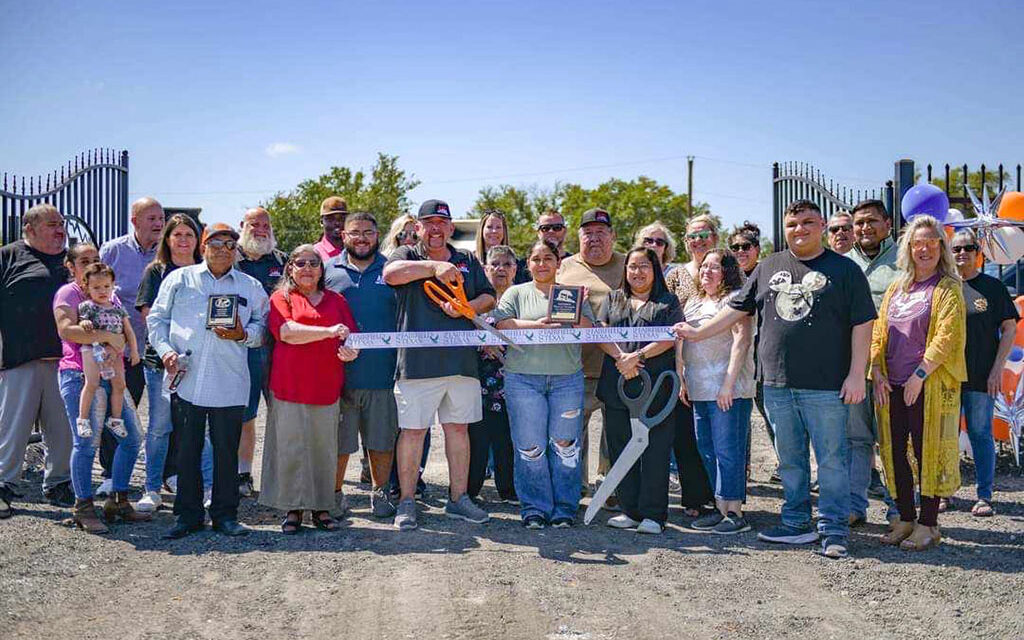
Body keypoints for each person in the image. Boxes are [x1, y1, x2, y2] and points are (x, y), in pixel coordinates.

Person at [675, 199, 876, 559]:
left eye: (808, 222)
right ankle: (796, 521)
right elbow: (737, 310)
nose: (800, 229)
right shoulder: (768, 267)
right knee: (790, 459)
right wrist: (697, 334)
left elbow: (864, 324)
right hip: (777, 384)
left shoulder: (845, 271)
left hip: (828, 386)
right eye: (793, 223)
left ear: (823, 226)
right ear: (784, 229)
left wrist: (857, 374)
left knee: (831, 459)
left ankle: (833, 529)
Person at [148, 222, 269, 539]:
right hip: (185, 379)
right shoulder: (179, 279)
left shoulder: (250, 287)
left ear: (236, 249)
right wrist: (164, 351)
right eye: (215, 242)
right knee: (186, 450)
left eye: (229, 243)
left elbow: (263, 330)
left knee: (225, 452)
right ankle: (187, 516)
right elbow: (156, 320)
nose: (222, 249)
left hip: (229, 382)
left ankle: (225, 515)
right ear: (203, 246)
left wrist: (243, 334)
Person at [383, 199, 494, 530]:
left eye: (441, 223)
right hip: (416, 364)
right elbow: (390, 275)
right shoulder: (407, 255)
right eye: (428, 222)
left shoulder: (467, 259)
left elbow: (488, 296)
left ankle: (458, 499)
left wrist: (467, 307)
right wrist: (433, 268)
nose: (435, 229)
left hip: (461, 363)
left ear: (450, 228)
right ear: (418, 227)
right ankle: (406, 501)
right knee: (413, 432)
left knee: (459, 431)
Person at [870, 215, 965, 551]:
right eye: (917, 242)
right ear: (908, 248)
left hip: (929, 384)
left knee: (929, 452)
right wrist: (876, 370)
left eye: (931, 241)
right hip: (892, 383)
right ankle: (906, 518)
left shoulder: (948, 288)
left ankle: (929, 524)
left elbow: (946, 337)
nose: (924, 248)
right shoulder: (897, 288)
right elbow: (879, 332)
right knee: (895, 452)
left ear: (942, 246)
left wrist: (920, 375)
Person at [494, 240, 594, 528]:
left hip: (567, 380)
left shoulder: (573, 294)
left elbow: (591, 329)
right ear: (528, 264)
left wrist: (574, 313)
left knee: (565, 445)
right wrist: (539, 325)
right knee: (530, 447)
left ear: (558, 262)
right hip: (523, 380)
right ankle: (535, 508)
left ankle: (565, 507)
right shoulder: (516, 293)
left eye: (547, 258)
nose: (541, 264)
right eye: (535, 259)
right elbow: (501, 325)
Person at [259, 245, 358, 533]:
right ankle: (292, 509)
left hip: (326, 385)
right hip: (289, 385)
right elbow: (287, 333)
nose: (307, 268)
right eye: (299, 263)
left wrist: (351, 351)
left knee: (323, 448)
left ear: (321, 268)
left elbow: (350, 337)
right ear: (289, 268)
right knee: (290, 447)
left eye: (313, 263)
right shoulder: (281, 297)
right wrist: (328, 332)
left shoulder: (336, 300)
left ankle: (321, 508)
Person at [53, 243, 149, 532]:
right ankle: (83, 507)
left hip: (112, 373)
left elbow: (124, 329)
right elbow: (67, 330)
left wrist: (123, 342)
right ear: (71, 267)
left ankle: (117, 500)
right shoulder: (68, 294)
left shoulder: (111, 295)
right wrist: (109, 336)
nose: (91, 263)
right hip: (81, 375)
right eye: (84, 260)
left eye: (96, 259)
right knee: (86, 442)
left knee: (132, 438)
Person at [597, 247, 681, 534]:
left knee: (655, 451)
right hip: (617, 383)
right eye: (632, 266)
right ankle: (629, 510)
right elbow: (601, 331)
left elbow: (671, 337)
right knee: (620, 448)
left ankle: (653, 515)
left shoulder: (667, 302)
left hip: (656, 387)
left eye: (644, 266)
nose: (637, 272)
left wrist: (638, 357)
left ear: (655, 269)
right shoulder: (613, 298)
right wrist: (622, 358)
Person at [325, 212, 402, 518]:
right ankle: (334, 495)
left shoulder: (393, 271)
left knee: (381, 439)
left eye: (368, 232)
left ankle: (380, 494)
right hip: (338, 375)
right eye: (354, 232)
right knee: (340, 443)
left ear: (377, 234)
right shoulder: (328, 270)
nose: (361, 238)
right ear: (343, 235)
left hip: (383, 372)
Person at [0, 203, 75, 517]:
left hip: (66, 359)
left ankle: (59, 483)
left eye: (61, 224)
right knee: (12, 427)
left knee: (63, 428)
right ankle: (4, 483)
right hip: (20, 359)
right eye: (52, 224)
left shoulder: (71, 261)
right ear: (29, 228)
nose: (60, 230)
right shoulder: (8, 256)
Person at [134, 214, 212, 512]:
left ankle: (208, 487)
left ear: (198, 240)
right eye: (177, 234)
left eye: (189, 235)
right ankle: (152, 489)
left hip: (200, 365)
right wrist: (169, 353)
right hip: (161, 365)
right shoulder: (156, 272)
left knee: (200, 428)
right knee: (160, 427)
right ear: (167, 239)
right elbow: (149, 316)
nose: (183, 240)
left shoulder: (207, 272)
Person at [679, 249, 755, 534]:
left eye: (715, 267)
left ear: (728, 271)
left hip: (728, 390)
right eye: (704, 267)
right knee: (707, 451)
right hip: (699, 388)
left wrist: (728, 384)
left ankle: (734, 512)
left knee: (728, 451)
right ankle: (719, 506)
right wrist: (681, 376)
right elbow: (681, 340)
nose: (707, 272)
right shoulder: (694, 302)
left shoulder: (736, 300)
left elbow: (742, 342)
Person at [97, 197, 164, 494]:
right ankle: (111, 473)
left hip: (162, 350)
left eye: (161, 218)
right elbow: (98, 292)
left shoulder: (169, 251)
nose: (158, 224)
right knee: (119, 411)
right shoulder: (113, 251)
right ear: (134, 221)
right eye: (151, 218)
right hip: (124, 351)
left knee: (167, 415)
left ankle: (169, 473)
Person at [557, 208, 625, 496]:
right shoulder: (564, 267)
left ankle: (609, 486)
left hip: (616, 364)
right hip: (576, 366)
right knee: (574, 433)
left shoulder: (628, 264)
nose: (594, 238)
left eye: (601, 232)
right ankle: (577, 487)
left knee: (615, 432)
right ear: (579, 236)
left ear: (612, 235)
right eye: (588, 233)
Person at [952, 228, 1016, 517]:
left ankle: (984, 495)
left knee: (980, 434)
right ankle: (942, 493)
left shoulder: (993, 287)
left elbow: (1009, 328)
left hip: (981, 375)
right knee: (945, 436)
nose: (962, 253)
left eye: (968, 248)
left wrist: (997, 370)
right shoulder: (942, 286)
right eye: (956, 249)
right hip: (947, 377)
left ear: (978, 253)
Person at [846, 199, 901, 525]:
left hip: (893, 368)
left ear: (887, 224)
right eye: (859, 223)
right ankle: (855, 506)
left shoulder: (903, 261)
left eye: (871, 221)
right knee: (856, 441)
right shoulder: (844, 263)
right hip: (855, 368)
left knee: (893, 440)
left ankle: (899, 508)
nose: (864, 228)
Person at [664, 215, 717, 517]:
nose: (698, 241)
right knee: (687, 436)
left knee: (718, 437)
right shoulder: (675, 276)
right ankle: (695, 498)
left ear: (715, 237)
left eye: (704, 235)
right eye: (691, 237)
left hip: (718, 364)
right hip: (683, 362)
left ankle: (723, 497)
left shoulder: (725, 268)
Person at [235, 206, 288, 498]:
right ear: (242, 225)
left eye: (266, 224)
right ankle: (243, 474)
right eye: (255, 224)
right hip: (243, 349)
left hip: (280, 349)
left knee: (282, 413)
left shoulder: (282, 260)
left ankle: (280, 475)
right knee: (246, 415)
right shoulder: (232, 260)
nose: (261, 229)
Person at [468, 245, 518, 504]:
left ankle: (508, 490)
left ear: (515, 270)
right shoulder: (476, 301)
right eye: (495, 264)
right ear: (485, 269)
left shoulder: (521, 301)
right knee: (477, 440)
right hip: (477, 384)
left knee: (506, 441)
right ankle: (470, 490)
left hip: (513, 384)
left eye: (507, 264)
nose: (501, 269)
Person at [728, 221, 777, 480]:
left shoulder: (767, 274)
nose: (740, 251)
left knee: (770, 412)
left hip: (763, 356)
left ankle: (785, 462)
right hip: (735, 356)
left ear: (757, 249)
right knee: (737, 414)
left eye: (746, 246)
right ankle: (742, 467)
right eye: (734, 247)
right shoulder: (727, 278)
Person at [72, 263, 140, 439]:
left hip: (115, 352)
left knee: (120, 385)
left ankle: (115, 420)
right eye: (96, 287)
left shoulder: (118, 308)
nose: (102, 291)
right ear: (87, 288)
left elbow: (129, 331)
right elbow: (83, 323)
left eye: (106, 286)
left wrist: (134, 351)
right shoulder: (87, 306)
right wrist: (83, 323)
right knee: (92, 383)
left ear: (113, 286)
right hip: (92, 350)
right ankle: (83, 419)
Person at [515, 209, 573, 284]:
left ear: (565, 231)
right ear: (538, 233)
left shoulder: (575, 264)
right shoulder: (522, 266)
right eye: (545, 228)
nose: (551, 231)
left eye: (557, 227)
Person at [314, 196, 349, 262]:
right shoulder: (314, 253)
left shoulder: (356, 250)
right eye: (331, 219)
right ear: (321, 222)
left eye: (342, 218)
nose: (337, 223)